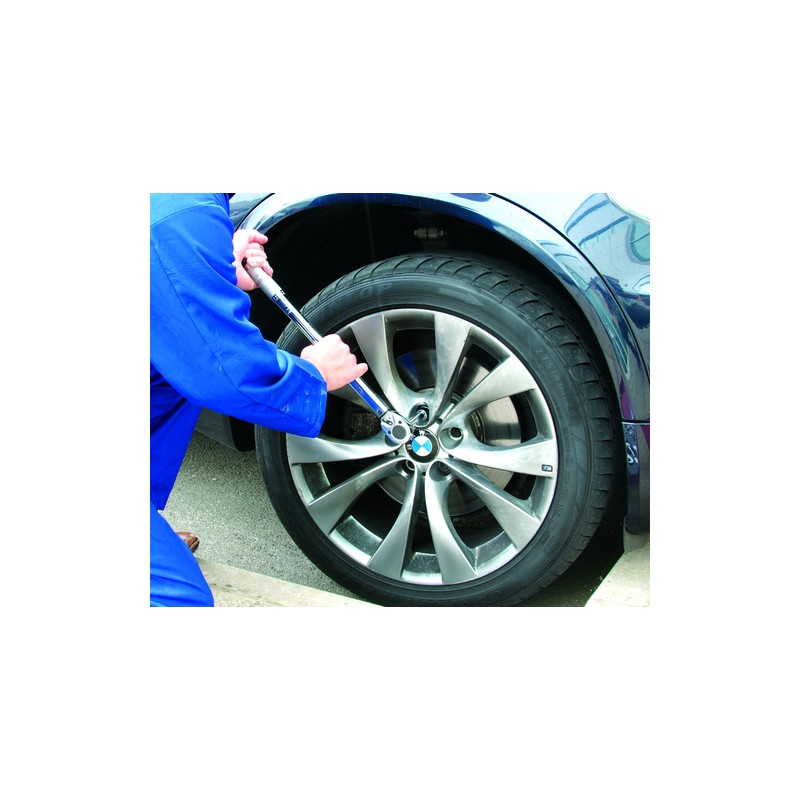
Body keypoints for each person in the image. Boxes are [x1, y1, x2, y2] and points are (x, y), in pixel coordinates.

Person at [150, 193, 368, 607]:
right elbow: (219, 368)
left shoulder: (180, 205)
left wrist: (208, 268)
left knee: (166, 372)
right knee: (178, 601)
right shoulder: (178, 214)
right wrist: (314, 374)